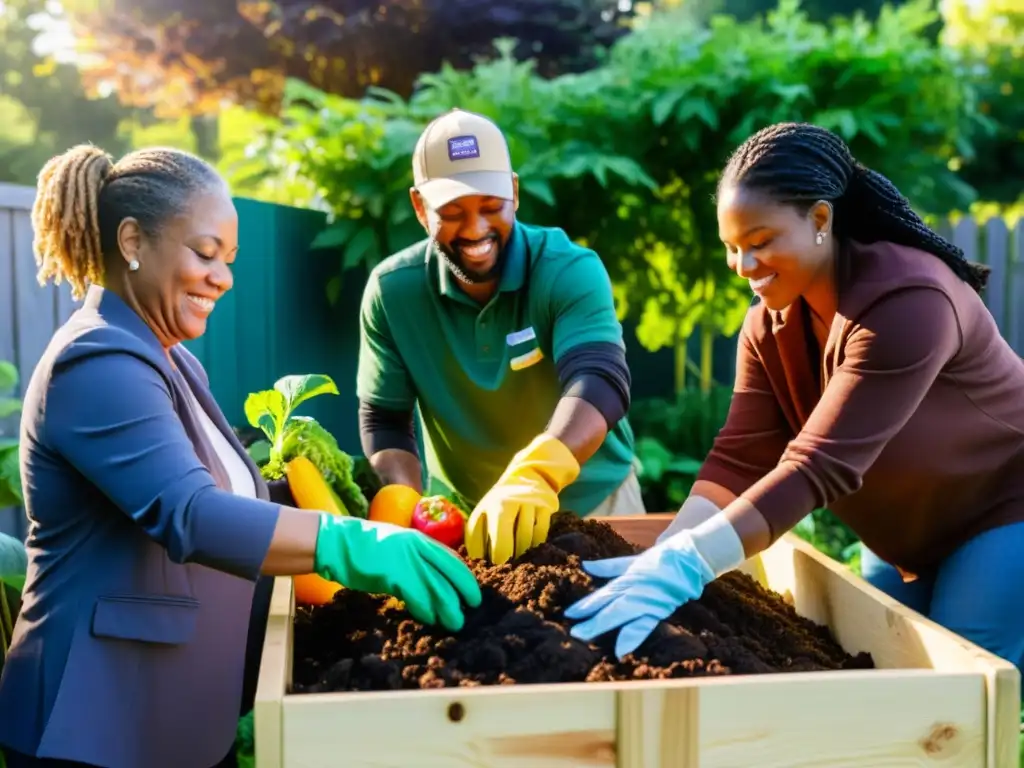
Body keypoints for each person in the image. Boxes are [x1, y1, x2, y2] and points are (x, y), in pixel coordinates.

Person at [0, 145, 481, 768]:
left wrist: (347, 502)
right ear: (131, 240)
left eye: (227, 261)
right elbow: (191, 514)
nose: (223, 278)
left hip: (176, 719)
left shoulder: (173, 360)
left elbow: (230, 497)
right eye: (205, 254)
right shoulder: (97, 363)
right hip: (97, 723)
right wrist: (352, 543)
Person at [565, 121, 1024, 679]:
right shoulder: (768, 326)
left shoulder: (909, 302)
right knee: (884, 677)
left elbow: (819, 465)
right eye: (732, 248)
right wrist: (664, 552)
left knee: (961, 686)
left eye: (760, 243)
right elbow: (739, 456)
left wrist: (691, 564)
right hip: (906, 532)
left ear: (821, 220)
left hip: (1002, 508)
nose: (744, 266)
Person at [356, 108, 643, 566]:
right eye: (451, 212)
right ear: (418, 207)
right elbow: (385, 420)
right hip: (466, 524)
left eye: (490, 206)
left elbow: (600, 379)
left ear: (513, 191)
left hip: (597, 506)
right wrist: (404, 508)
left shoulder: (567, 269)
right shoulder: (394, 293)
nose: (474, 230)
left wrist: (537, 474)